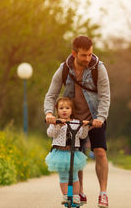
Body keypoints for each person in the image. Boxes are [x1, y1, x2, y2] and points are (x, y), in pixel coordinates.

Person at [44, 35, 110, 208]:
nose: (88, 58)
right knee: (75, 155)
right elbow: (51, 94)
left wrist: (100, 118)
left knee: (100, 152)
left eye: (90, 54)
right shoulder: (64, 69)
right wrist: (49, 113)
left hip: (95, 118)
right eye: (83, 55)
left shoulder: (98, 68)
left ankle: (103, 193)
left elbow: (105, 96)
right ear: (74, 53)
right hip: (74, 120)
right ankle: (79, 192)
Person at [45, 97, 89, 205]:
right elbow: (51, 133)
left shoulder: (76, 122)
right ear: (57, 110)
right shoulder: (55, 122)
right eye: (61, 108)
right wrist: (57, 125)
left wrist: (85, 126)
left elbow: (82, 136)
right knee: (63, 176)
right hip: (60, 153)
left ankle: (75, 196)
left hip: (73, 152)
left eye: (67, 108)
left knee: (74, 175)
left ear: (72, 110)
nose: (64, 110)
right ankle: (65, 195)